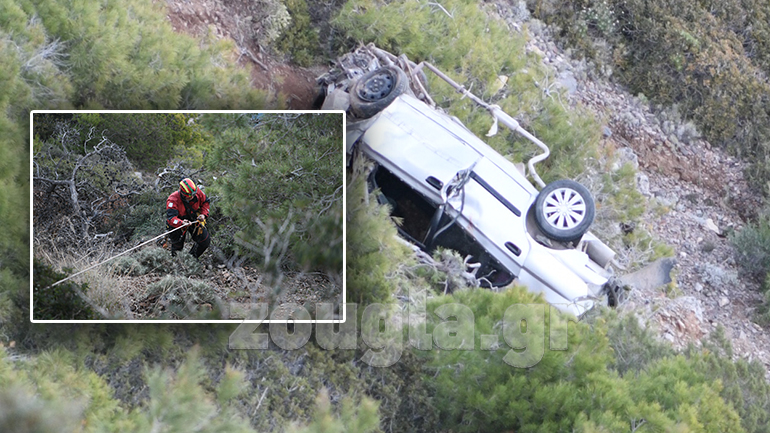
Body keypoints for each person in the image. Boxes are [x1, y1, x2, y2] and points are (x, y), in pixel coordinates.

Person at [166, 177, 210, 258]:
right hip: (179, 223)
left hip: (193, 218)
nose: (193, 197)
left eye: (194, 194)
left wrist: (203, 214)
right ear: (183, 193)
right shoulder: (173, 199)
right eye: (190, 196)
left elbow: (205, 202)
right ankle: (177, 263)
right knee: (177, 246)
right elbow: (171, 219)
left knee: (204, 240)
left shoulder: (197, 192)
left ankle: (191, 259)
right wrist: (181, 223)